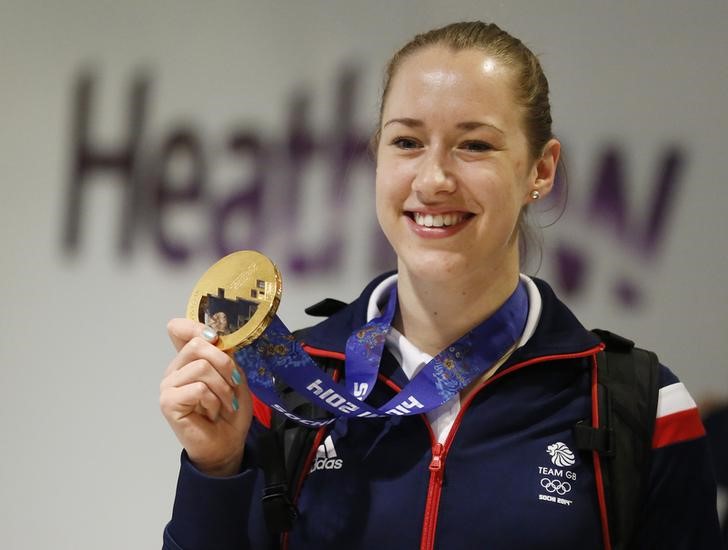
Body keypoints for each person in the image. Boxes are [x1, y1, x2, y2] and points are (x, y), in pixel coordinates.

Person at [160, 21, 722, 549]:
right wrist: (215, 469)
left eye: (474, 145)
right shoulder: (289, 388)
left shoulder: (639, 407)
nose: (433, 180)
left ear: (540, 170)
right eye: (407, 142)